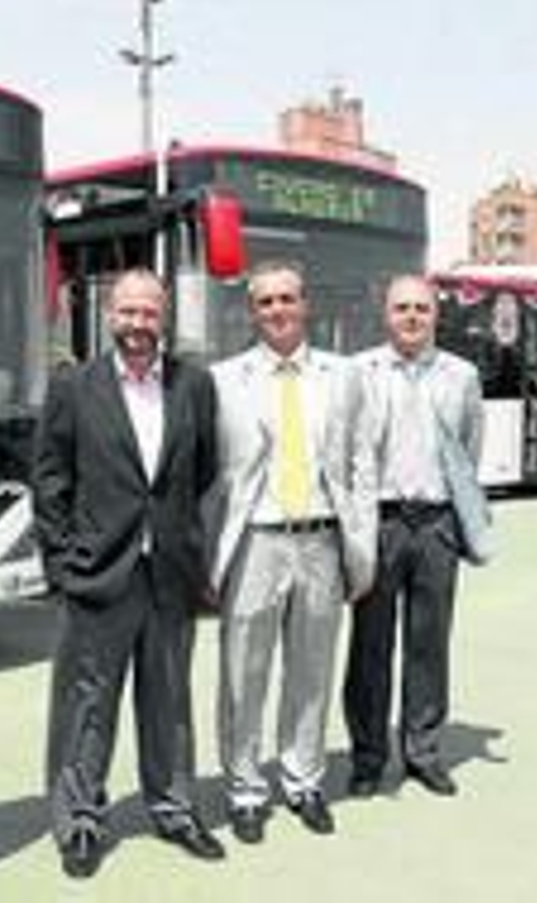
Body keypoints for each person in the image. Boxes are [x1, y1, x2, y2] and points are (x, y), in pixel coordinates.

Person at [33, 269, 226, 879]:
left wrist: (191, 549)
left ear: (162, 318)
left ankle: (173, 807)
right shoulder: (73, 387)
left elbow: (204, 473)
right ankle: (79, 820)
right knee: (86, 702)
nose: (139, 325)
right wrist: (64, 564)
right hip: (98, 571)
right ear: (109, 315)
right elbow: (51, 482)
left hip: (170, 570)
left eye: (149, 314)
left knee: (169, 699)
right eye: (128, 313)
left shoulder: (193, 385)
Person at [209, 260, 376, 844]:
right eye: (266, 302)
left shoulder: (344, 375)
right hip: (256, 541)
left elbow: (360, 462)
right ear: (252, 311)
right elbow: (211, 472)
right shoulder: (224, 379)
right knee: (242, 674)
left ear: (306, 305)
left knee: (311, 671)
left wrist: (362, 545)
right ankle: (245, 790)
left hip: (322, 541)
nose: (278, 310)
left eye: (287, 299)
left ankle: (304, 779)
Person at [343, 274, 486, 800]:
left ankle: (423, 752)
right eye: (401, 307)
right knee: (369, 647)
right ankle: (367, 757)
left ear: (435, 315)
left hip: (436, 526)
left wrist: (454, 519)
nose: (411, 317)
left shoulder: (461, 376)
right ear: (386, 314)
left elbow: (469, 451)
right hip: (379, 523)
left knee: (429, 644)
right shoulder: (359, 372)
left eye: (421, 309)